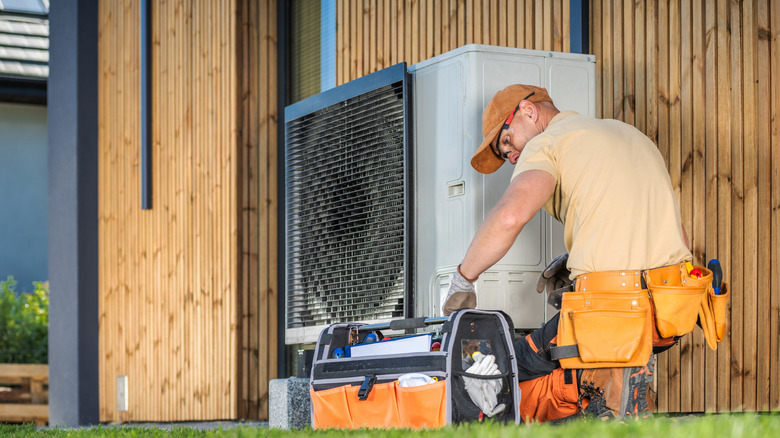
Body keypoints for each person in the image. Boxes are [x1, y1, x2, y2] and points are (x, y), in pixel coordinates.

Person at [442, 84, 692, 422]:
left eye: (507, 142)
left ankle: (602, 405)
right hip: (670, 310)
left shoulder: (548, 142)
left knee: (505, 365)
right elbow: (677, 234)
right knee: (586, 366)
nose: (512, 157)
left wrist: (463, 279)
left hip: (611, 309)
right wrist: (582, 259)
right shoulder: (629, 134)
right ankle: (614, 395)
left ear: (528, 112)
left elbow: (510, 216)